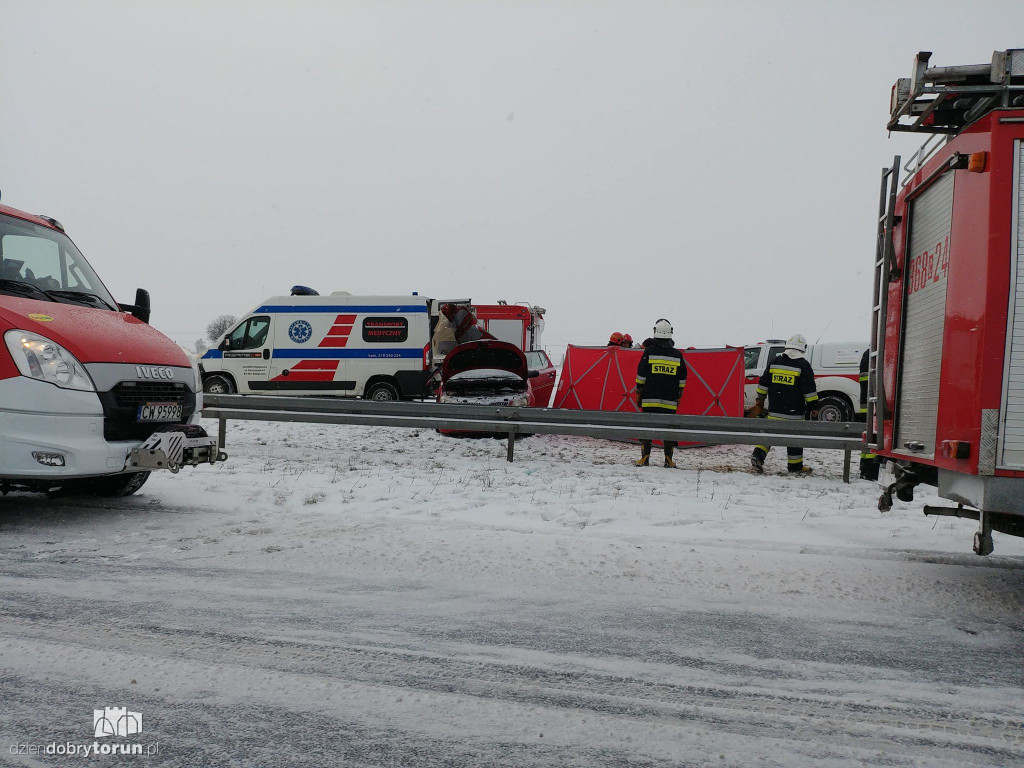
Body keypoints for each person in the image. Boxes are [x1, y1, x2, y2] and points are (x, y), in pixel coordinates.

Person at [749, 333, 818, 475]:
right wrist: (813, 408)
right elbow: (809, 391)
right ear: (802, 349)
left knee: (768, 434)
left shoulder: (775, 362)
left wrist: (760, 401)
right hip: (795, 414)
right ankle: (795, 467)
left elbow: (763, 383)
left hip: (775, 411)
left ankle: (757, 457)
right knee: (795, 438)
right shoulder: (803, 365)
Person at [634, 319, 687, 468]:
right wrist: (678, 394)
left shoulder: (649, 352)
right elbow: (682, 378)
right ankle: (668, 460)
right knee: (668, 429)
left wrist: (639, 390)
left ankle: (645, 458)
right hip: (669, 400)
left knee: (647, 428)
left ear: (655, 332)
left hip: (649, 398)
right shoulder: (677, 354)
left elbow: (641, 374)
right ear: (670, 334)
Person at [859, 348, 881, 481]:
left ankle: (865, 470)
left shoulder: (868, 354)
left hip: (866, 405)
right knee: (873, 438)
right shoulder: (877, 354)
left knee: (868, 439)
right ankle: (871, 472)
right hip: (875, 406)